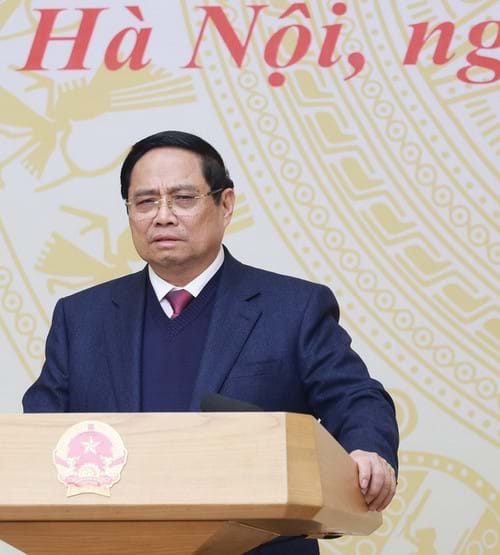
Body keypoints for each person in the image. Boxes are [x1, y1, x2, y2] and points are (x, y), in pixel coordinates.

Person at [23, 130, 399, 554]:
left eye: (183, 198)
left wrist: (366, 450)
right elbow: (38, 433)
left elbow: (356, 398)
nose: (162, 216)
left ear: (226, 204)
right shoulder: (81, 318)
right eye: (145, 202)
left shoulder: (293, 308)